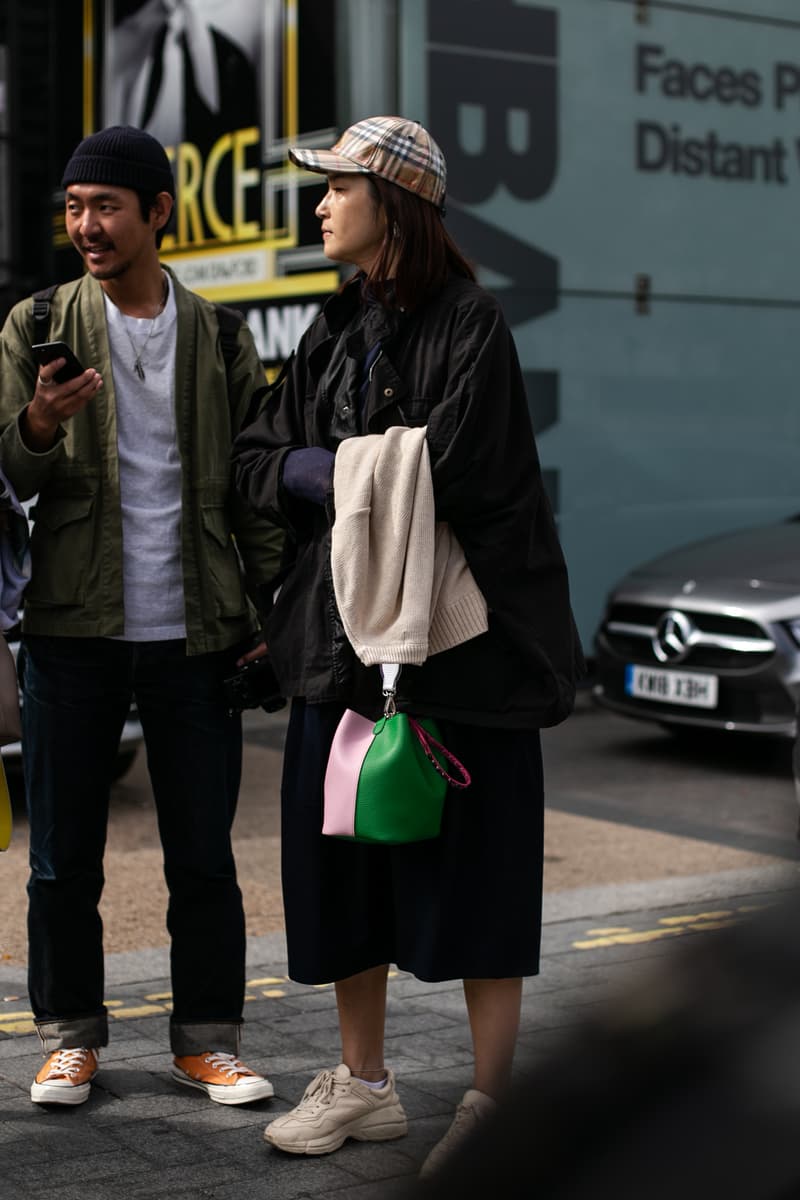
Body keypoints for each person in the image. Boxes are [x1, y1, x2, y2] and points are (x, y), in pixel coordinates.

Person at [231, 115, 584, 1173]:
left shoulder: (470, 324)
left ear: (396, 203)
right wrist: (327, 471)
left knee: (475, 880)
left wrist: (323, 468)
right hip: (342, 658)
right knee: (343, 873)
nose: (320, 205)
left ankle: (490, 1103)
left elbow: (458, 474)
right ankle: (366, 1087)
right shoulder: (332, 332)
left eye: (338, 187)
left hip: (461, 662)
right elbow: (256, 458)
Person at [0, 124, 282, 1107]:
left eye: (105, 206)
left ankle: (208, 1039)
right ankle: (71, 1037)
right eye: (73, 207)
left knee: (203, 854)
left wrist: (269, 608)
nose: (85, 224)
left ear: (157, 213)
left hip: (194, 631)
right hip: (71, 628)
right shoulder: (38, 321)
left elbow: (253, 485)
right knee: (60, 861)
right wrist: (39, 421)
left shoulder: (218, 335)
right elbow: (10, 466)